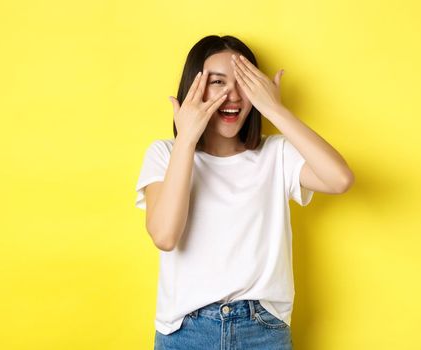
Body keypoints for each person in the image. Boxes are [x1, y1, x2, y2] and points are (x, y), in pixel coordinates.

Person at [134, 35, 354, 350]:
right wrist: (185, 139)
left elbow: (340, 180)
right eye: (218, 82)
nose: (233, 95)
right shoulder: (165, 154)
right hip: (186, 333)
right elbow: (165, 237)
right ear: (193, 87)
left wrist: (275, 110)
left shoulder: (275, 153)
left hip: (261, 330)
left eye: (243, 82)